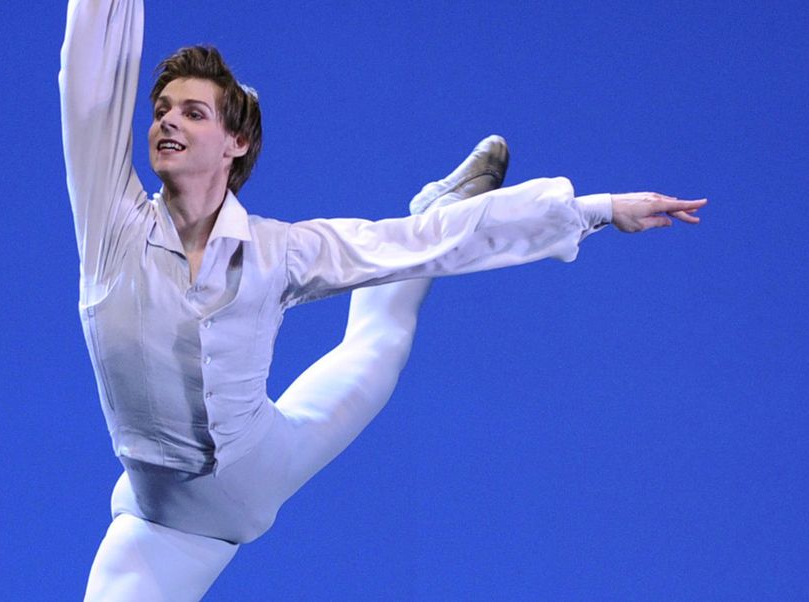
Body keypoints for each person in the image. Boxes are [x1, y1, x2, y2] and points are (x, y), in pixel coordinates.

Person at [59, 1, 706, 599]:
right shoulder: (111, 227)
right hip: (168, 527)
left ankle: (446, 198)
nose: (169, 120)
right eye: (164, 108)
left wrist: (597, 210)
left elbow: (424, 246)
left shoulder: (278, 252)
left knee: (379, 342)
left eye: (194, 112)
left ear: (236, 145)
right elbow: (89, 85)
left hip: (265, 460)